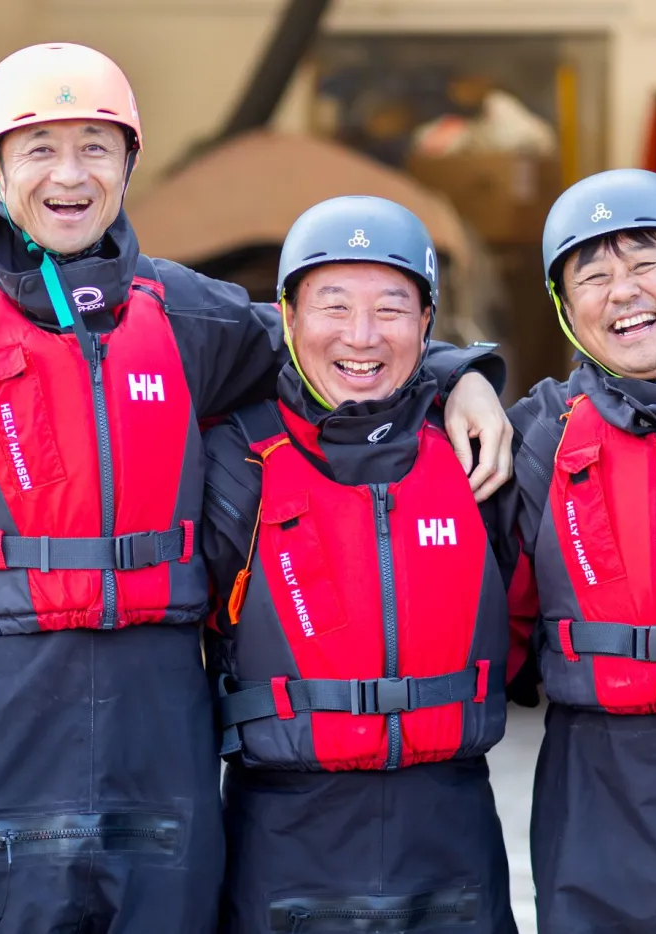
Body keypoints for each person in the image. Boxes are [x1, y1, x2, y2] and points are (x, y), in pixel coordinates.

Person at [0, 42, 513, 933]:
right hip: (10, 698)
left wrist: (464, 370)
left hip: (159, 715)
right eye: (39, 149)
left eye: (95, 146)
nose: (69, 175)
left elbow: (336, 347)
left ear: (130, 164)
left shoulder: (191, 315)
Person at [203, 195, 519, 934]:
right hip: (284, 841)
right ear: (284, 317)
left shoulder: (485, 454)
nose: (362, 336)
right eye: (333, 304)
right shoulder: (232, 459)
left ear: (429, 321)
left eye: (393, 308)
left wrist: (465, 376)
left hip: (452, 839)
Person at [505, 168, 656, 934]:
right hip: (602, 781)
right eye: (593, 274)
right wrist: (464, 370)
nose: (623, 290)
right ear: (565, 308)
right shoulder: (538, 436)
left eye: (647, 261)